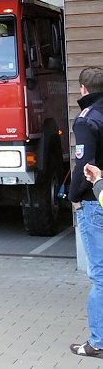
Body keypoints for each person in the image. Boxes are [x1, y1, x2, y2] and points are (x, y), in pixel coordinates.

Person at [67, 66, 103, 357]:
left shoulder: (86, 120)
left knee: (101, 277)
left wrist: (74, 196)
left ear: (83, 89)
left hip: (95, 203)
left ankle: (98, 343)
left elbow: (85, 166)